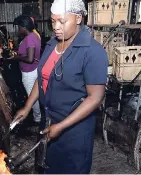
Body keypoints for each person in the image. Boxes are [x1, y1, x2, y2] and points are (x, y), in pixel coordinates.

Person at [14, 0, 108, 173]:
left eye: (62, 21)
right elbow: (42, 78)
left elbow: (95, 97)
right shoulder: (50, 45)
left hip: (73, 132)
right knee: (47, 167)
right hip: (48, 122)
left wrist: (62, 126)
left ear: (78, 18)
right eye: (53, 21)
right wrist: (27, 107)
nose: (56, 27)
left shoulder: (93, 52)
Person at [8, 15, 42, 123]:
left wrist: (16, 57)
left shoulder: (29, 39)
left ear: (24, 27)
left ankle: (38, 118)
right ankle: (40, 115)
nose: (19, 29)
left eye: (19, 27)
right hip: (35, 69)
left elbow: (30, 59)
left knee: (32, 96)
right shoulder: (34, 35)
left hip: (29, 72)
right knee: (37, 94)